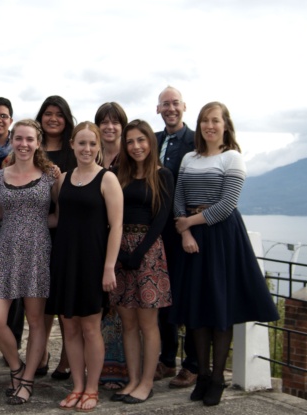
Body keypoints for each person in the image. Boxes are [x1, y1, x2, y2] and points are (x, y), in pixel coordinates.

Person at [171, 102, 279, 406]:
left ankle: (218, 378)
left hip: (221, 238)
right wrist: (186, 232)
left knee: (220, 308)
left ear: (225, 125)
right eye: (204, 120)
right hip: (192, 238)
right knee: (198, 309)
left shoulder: (233, 158)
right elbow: (179, 196)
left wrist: (188, 223)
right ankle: (202, 374)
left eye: (215, 120)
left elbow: (226, 205)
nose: (209, 125)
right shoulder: (190, 158)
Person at [49, 122, 123, 411]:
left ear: (98, 147)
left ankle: (92, 388)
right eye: (82, 143)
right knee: (69, 327)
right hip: (65, 259)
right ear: (72, 145)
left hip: (93, 261)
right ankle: (77, 386)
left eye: (92, 144)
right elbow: (58, 218)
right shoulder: (63, 179)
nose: (87, 149)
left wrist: (109, 267)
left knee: (91, 328)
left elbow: (116, 226)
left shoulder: (108, 179)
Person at [0, 119, 58, 405]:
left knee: (37, 321)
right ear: (12, 140)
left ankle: (27, 381)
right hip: (5, 250)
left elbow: (59, 216)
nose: (24, 144)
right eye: (19, 138)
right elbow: (1, 213)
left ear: (38, 142)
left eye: (30, 139)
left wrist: (35, 225)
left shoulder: (51, 176)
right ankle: (16, 368)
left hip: (38, 251)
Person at [110, 120, 174, 405]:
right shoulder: (118, 174)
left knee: (148, 322)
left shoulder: (162, 175)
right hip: (119, 250)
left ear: (150, 142)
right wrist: (120, 255)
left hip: (148, 253)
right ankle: (132, 379)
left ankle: (146, 382)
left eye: (141, 140)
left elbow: (161, 219)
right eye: (131, 141)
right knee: (127, 322)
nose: (136, 146)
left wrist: (138, 253)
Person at [155, 86, 198, 388]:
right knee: (163, 296)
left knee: (191, 295)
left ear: (184, 107)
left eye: (175, 103)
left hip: (186, 229)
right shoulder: (153, 141)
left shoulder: (195, 141)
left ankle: (192, 364)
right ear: (158, 110)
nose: (170, 108)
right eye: (165, 104)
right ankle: (167, 360)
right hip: (158, 231)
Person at [34, 95, 76, 379]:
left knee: (63, 295)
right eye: (48, 113)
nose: (52, 118)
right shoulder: (32, 148)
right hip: (35, 228)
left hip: (67, 230)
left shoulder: (74, 151)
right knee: (40, 296)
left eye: (59, 114)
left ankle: (66, 358)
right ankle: (41, 353)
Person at [93, 101, 131, 391]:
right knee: (100, 308)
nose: (109, 127)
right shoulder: (89, 156)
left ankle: (122, 369)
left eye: (115, 122)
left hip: (126, 241)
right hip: (94, 242)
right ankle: (100, 368)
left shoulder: (132, 157)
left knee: (123, 307)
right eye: (103, 122)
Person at [0, 96, 24, 352]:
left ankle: (15, 344)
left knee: (17, 295)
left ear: (10, 120)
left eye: (3, 116)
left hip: (16, 229)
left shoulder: (20, 146)